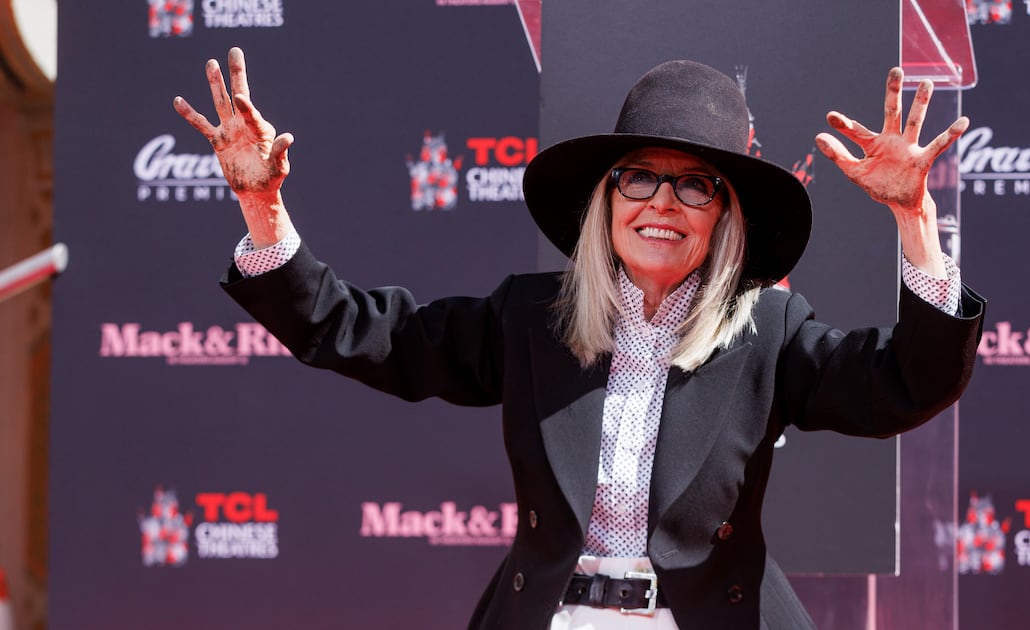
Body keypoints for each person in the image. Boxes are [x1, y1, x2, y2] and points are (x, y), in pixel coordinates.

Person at [175, 48, 985, 630]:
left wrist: (915, 221)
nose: (661, 203)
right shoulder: (532, 318)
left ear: (725, 216)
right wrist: (261, 206)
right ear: (607, 199)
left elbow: (908, 383)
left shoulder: (768, 332)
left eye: (695, 185)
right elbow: (360, 332)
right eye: (639, 177)